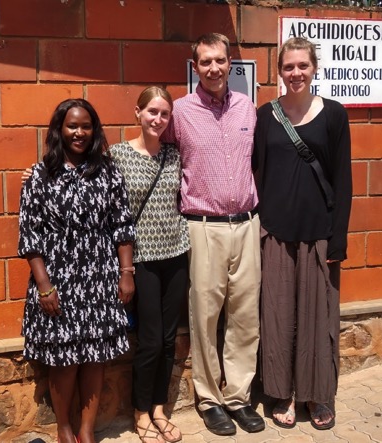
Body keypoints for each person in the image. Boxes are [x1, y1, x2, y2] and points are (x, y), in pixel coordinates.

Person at [163, 33, 265, 436]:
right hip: (202, 227)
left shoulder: (247, 109)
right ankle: (209, 399)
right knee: (204, 317)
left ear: (229, 64)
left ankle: (238, 396)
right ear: (195, 67)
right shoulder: (180, 112)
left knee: (245, 317)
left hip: (247, 224)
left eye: (220, 61)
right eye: (205, 62)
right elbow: (155, 153)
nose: (214, 68)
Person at [18, 98, 135, 443]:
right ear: (59, 130)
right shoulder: (40, 175)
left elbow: (122, 224)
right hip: (58, 278)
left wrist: (126, 272)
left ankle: (86, 431)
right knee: (64, 357)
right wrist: (44, 286)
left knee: (96, 356)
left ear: (94, 130)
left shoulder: (108, 171)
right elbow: (30, 236)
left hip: (100, 275)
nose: (79, 133)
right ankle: (64, 429)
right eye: (72, 126)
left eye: (86, 126)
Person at [252, 37, 352, 431]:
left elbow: (342, 180)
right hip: (275, 233)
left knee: (317, 320)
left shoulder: (334, 115)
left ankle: (318, 396)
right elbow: (255, 173)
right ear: (279, 71)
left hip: (318, 236)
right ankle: (283, 393)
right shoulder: (265, 116)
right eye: (288, 67)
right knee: (277, 319)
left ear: (314, 69)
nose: (296, 73)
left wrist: (339, 236)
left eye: (302, 66)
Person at [108, 86, 189, 443]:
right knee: (151, 339)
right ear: (137, 112)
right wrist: (38, 175)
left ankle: (159, 407)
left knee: (170, 340)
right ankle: (140, 412)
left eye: (164, 114)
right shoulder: (118, 155)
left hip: (177, 252)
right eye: (152, 112)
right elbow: (86, 182)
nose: (158, 119)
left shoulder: (174, 154)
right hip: (141, 259)